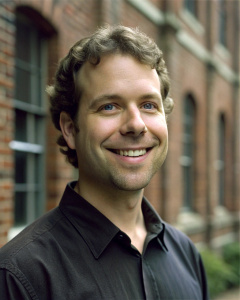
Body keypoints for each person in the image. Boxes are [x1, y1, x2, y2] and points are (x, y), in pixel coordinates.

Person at [0, 25, 209, 300]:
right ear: (70, 129)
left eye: (149, 105)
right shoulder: (20, 276)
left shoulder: (186, 254)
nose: (136, 124)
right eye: (109, 106)